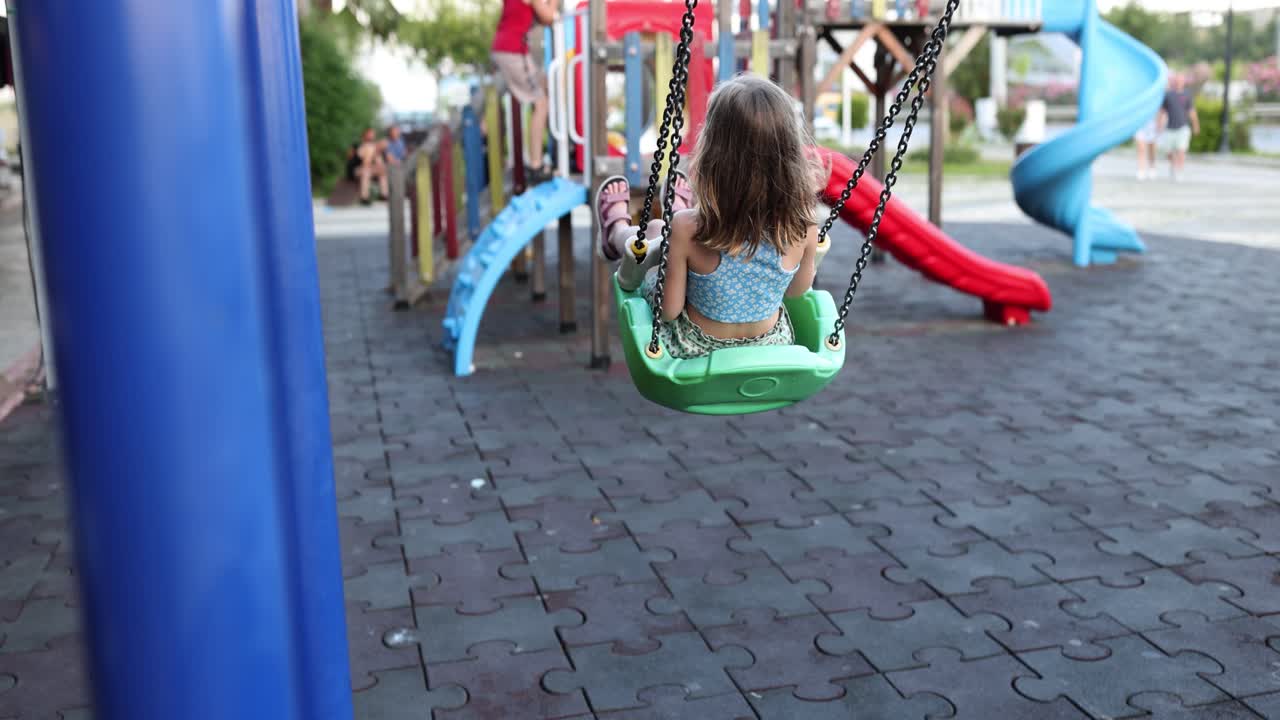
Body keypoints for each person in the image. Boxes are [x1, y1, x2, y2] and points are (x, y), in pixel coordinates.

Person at [594, 75, 820, 359]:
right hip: (769, 350)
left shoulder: (688, 230)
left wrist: (657, 273)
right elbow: (797, 291)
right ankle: (672, 210)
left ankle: (615, 231)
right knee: (671, 231)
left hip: (698, 353)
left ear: (714, 159)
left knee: (655, 229)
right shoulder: (804, 227)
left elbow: (669, 310)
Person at [491, 0, 558, 184]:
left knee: (545, 82)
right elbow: (549, 17)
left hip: (509, 49)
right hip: (513, 51)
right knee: (541, 104)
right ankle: (535, 166)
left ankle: (556, 148)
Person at [1157, 73, 1199, 181]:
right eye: (1177, 80)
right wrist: (1159, 124)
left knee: (1181, 150)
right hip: (1170, 127)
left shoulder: (1187, 95)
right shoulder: (1168, 95)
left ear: (1184, 82)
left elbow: (1191, 111)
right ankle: (1173, 165)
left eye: (1181, 80)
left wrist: (1195, 125)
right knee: (1168, 152)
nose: (1178, 82)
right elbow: (1162, 111)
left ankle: (1179, 171)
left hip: (1183, 127)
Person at [354, 127, 389, 204]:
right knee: (366, 173)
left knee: (383, 172)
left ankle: (384, 195)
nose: (372, 136)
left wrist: (377, 152)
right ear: (365, 135)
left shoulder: (375, 147)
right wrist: (374, 152)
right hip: (359, 169)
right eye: (370, 134)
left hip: (370, 169)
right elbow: (365, 163)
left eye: (373, 134)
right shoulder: (360, 146)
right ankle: (364, 197)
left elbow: (379, 164)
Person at [1134, 114, 1158, 180]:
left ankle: (1152, 167)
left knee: (1152, 150)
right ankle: (1141, 169)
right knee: (1141, 148)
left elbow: (1161, 110)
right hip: (1140, 124)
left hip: (1153, 125)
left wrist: (1160, 123)